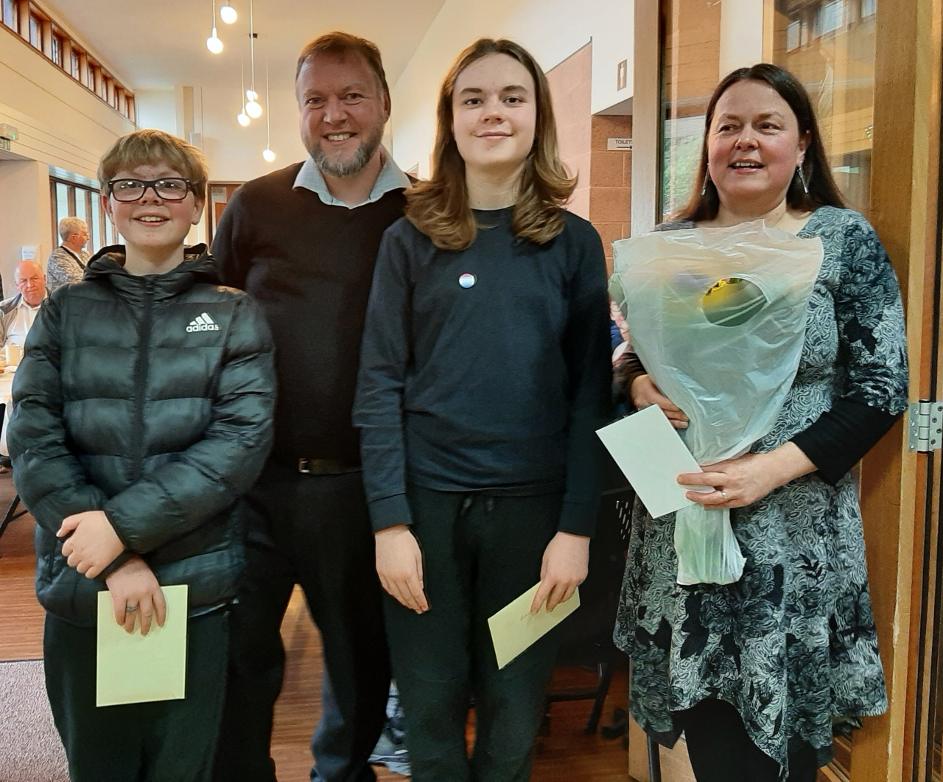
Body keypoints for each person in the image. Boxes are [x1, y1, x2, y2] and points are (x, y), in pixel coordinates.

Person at [612, 63, 908, 782]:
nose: (745, 141)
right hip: (683, 530)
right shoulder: (668, 246)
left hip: (792, 538)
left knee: (786, 756)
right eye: (728, 126)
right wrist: (634, 380)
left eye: (767, 126)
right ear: (707, 145)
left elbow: (881, 385)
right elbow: (627, 347)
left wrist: (767, 470)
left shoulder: (838, 241)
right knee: (708, 743)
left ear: (800, 144)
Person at [353, 38, 611, 781]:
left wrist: (575, 529)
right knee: (429, 709)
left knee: (513, 712)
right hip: (425, 512)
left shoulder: (574, 245)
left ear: (537, 117)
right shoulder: (406, 241)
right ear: (450, 120)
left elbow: (589, 395)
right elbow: (378, 386)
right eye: (474, 99)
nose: (492, 112)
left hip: (533, 521)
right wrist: (388, 522)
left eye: (510, 97)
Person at [7, 128, 276, 782]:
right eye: (131, 183)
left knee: (181, 769)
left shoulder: (234, 314)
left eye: (169, 184)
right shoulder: (66, 312)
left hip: (193, 590)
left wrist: (123, 530)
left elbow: (237, 444)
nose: (149, 197)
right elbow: (33, 435)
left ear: (195, 204)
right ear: (108, 201)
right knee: (97, 766)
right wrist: (111, 555)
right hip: (82, 585)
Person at [211, 31, 410, 782]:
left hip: (362, 490)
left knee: (361, 668)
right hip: (251, 486)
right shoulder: (255, 206)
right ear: (298, 112)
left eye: (350, 95)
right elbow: (207, 318)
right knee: (239, 662)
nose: (334, 114)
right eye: (315, 99)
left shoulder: (422, 213)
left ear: (383, 103)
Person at [0, 260, 46, 347]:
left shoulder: (62, 307)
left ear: (44, 279)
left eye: (34, 279)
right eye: (23, 281)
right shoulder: (3, 310)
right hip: (13, 360)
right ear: (17, 285)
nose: (30, 285)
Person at [46, 216, 91, 292]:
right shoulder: (57, 257)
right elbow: (77, 282)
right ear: (73, 238)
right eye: (85, 234)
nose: (88, 238)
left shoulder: (85, 255)